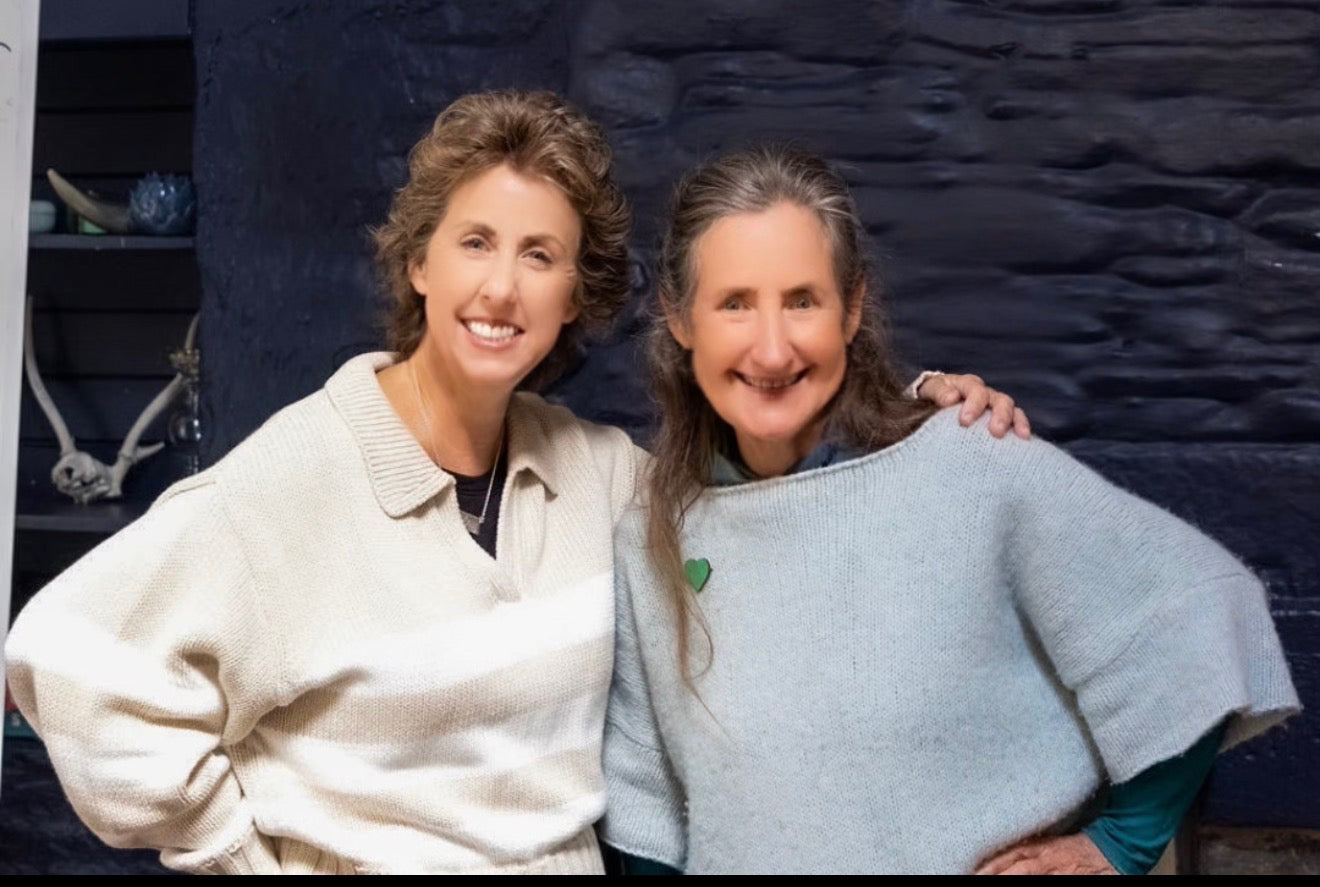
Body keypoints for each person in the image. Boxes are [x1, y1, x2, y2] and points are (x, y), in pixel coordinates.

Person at [4, 93, 1022, 875]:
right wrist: (238, 855)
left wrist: (917, 410)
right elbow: (73, 659)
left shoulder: (596, 475)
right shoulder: (298, 474)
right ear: (418, 265)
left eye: (541, 256)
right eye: (476, 243)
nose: (501, 288)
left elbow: (776, 522)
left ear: (574, 293)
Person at [600, 145, 1300, 875]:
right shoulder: (652, 534)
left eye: (803, 299)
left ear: (853, 308)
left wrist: (1119, 844)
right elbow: (649, 807)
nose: (772, 350)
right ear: (679, 319)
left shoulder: (971, 461)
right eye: (735, 303)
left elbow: (1187, 619)